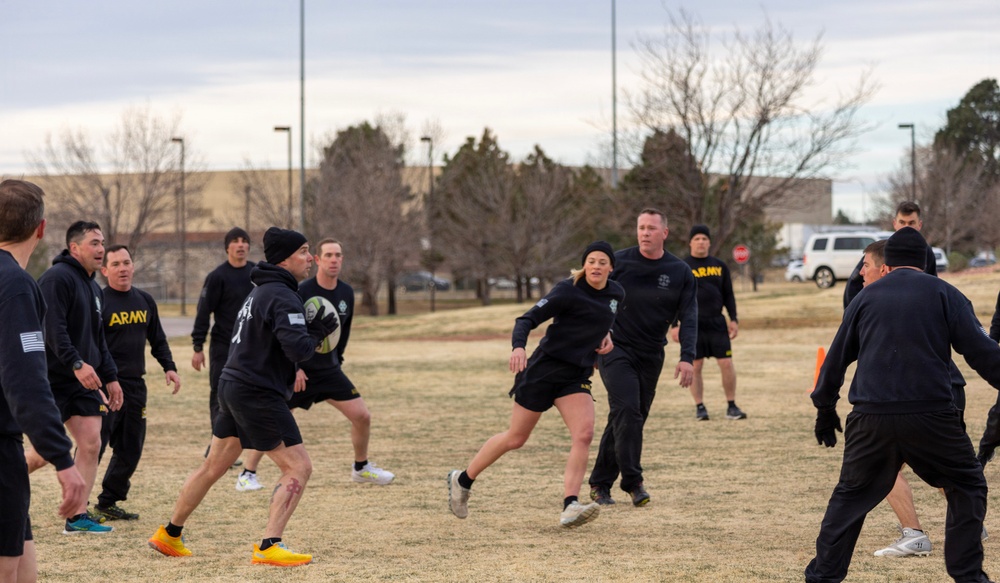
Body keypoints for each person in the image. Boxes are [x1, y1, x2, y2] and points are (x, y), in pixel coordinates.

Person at [806, 227, 1000, 583]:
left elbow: (835, 359)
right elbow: (983, 354)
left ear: (888, 264)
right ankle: (968, 574)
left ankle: (822, 577)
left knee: (849, 499)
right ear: (925, 262)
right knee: (967, 486)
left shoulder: (863, 299)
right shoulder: (946, 294)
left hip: (871, 417)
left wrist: (824, 407)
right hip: (932, 415)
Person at [148, 227, 339, 566]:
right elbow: (298, 349)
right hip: (256, 391)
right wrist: (317, 332)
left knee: (213, 466)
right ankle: (269, 545)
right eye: (305, 251)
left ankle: (170, 534)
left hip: (233, 384)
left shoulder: (259, 291)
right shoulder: (281, 294)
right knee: (298, 466)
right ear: (285, 257)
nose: (311, 258)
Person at [448, 241, 624, 528]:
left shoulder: (616, 293)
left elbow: (607, 318)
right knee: (516, 439)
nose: (596, 266)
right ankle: (463, 479)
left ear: (611, 268)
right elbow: (526, 319)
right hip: (544, 370)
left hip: (575, 376)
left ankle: (570, 504)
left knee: (584, 434)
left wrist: (608, 334)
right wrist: (519, 348)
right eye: (591, 260)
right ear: (584, 265)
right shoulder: (568, 290)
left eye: (602, 262)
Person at [237, 239, 394, 491]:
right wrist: (295, 367)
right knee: (273, 423)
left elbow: (342, 332)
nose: (334, 259)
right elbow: (287, 335)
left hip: (330, 371)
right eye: (328, 255)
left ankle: (361, 468)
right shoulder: (301, 290)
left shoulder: (346, 293)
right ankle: (247, 473)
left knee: (362, 415)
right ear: (318, 260)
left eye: (338, 255)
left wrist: (338, 360)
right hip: (301, 372)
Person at [0, 179, 86, 583]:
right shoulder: (16, 286)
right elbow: (26, 383)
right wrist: (63, 460)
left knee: (25, 575)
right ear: (41, 228)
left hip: (10, 463)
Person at [588, 208, 696, 507]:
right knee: (628, 412)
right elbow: (588, 293)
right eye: (640, 227)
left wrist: (687, 356)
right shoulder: (618, 262)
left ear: (665, 233)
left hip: (651, 354)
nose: (645, 233)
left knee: (629, 418)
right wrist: (592, 337)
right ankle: (634, 482)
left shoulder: (679, 271)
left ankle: (599, 483)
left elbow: (689, 315)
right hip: (615, 348)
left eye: (651, 228)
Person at [25, 220, 123, 535]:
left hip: (84, 381)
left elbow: (99, 339)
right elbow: (53, 330)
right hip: (55, 379)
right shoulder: (57, 279)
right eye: (94, 243)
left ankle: (77, 517)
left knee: (91, 442)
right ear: (74, 248)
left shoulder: (94, 287)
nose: (101, 249)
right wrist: (76, 363)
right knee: (42, 455)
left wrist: (111, 376)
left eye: (102, 242)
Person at [93, 244, 181, 521]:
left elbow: (158, 340)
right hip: (105, 387)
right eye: (116, 264)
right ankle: (76, 507)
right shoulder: (99, 302)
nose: (122, 268)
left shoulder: (144, 300)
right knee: (93, 447)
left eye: (126, 263)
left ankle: (108, 501)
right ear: (105, 270)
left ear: (133, 266)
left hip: (135, 386)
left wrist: (169, 367)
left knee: (131, 447)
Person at [190, 227, 254, 460]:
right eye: (235, 241)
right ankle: (216, 448)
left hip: (251, 347)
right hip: (223, 348)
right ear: (227, 247)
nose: (240, 245)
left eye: (244, 241)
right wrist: (198, 347)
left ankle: (239, 446)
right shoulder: (217, 277)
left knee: (248, 395)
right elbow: (203, 312)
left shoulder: (257, 273)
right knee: (220, 395)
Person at [670, 224, 744, 421]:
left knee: (727, 363)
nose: (701, 242)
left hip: (717, 323)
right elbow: (675, 298)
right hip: (693, 324)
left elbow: (728, 295)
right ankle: (700, 407)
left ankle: (731, 405)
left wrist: (733, 319)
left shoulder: (720, 266)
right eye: (697, 239)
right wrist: (675, 324)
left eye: (704, 239)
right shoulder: (682, 267)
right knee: (695, 365)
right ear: (690, 243)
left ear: (709, 242)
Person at [842, 200, 936, 308]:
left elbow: (932, 288)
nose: (906, 227)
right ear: (894, 224)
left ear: (919, 224)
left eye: (911, 223)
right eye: (902, 222)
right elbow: (854, 285)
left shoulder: (927, 253)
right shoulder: (881, 249)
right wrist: (855, 316)